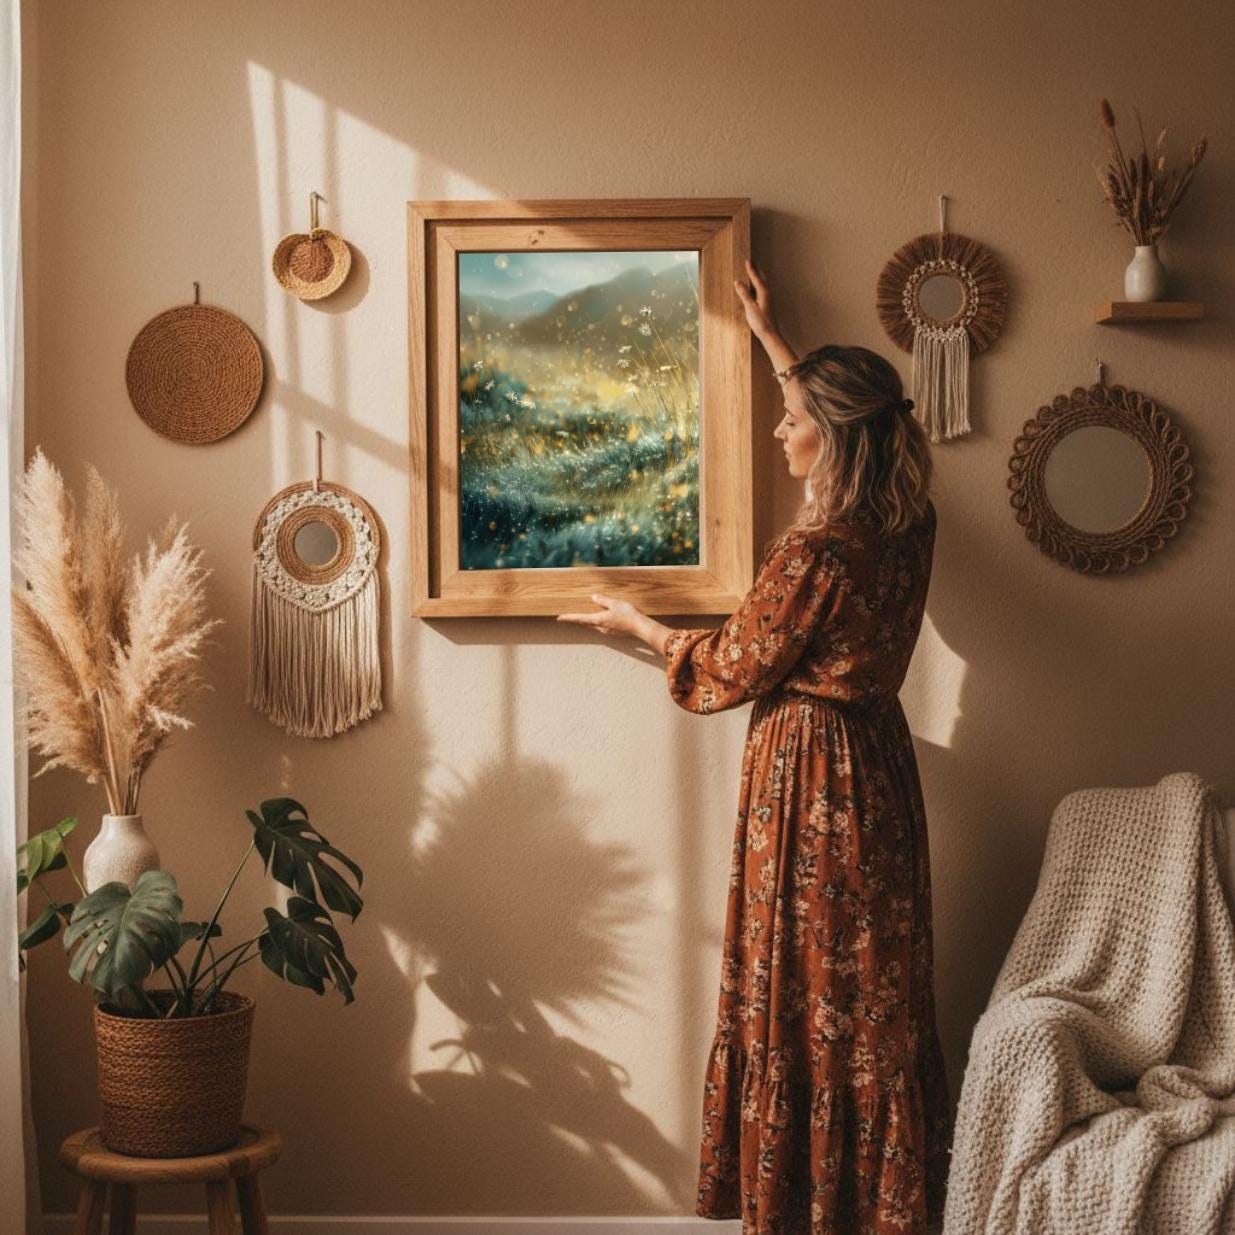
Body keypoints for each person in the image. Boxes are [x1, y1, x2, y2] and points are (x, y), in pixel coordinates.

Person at [558, 260, 952, 1234]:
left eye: (790, 417)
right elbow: (839, 413)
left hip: (810, 774)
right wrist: (774, 341)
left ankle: (805, 1207)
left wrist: (638, 625)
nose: (778, 429)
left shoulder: (812, 553)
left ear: (832, 432)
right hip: (880, 773)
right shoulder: (907, 526)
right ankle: (881, 1204)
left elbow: (727, 667)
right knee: (870, 992)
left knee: (804, 982)